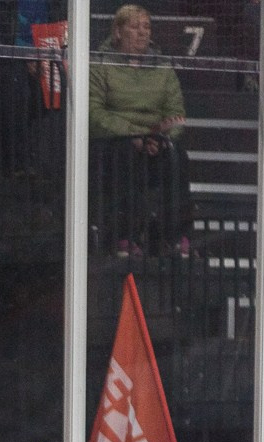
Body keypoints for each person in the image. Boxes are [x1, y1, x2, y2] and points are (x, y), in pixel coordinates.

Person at [88, 3, 190, 259]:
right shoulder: (99, 63)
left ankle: (175, 237)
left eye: (147, 27)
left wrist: (160, 138)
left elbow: (175, 111)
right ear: (118, 32)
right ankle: (124, 235)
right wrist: (133, 135)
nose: (143, 32)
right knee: (124, 156)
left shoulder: (163, 68)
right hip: (115, 143)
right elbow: (94, 112)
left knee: (177, 156)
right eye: (135, 27)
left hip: (154, 141)